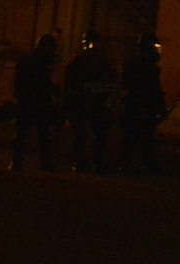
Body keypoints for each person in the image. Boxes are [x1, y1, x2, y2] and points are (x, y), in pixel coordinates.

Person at [63, 34, 117, 173]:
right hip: (84, 102)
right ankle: (83, 162)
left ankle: (94, 162)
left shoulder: (103, 62)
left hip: (96, 103)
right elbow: (69, 82)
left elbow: (113, 82)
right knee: (83, 134)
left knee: (97, 134)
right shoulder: (82, 62)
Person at [10, 33, 59, 172]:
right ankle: (39, 161)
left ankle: (18, 161)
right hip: (35, 101)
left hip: (32, 101)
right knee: (39, 133)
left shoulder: (30, 61)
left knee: (26, 133)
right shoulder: (41, 63)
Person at [119, 37, 168, 174]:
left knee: (145, 135)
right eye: (156, 48)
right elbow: (139, 88)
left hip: (146, 105)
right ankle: (125, 163)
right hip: (139, 105)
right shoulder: (139, 66)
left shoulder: (149, 66)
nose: (158, 51)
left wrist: (160, 104)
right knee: (134, 135)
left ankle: (145, 163)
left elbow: (155, 89)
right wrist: (141, 105)